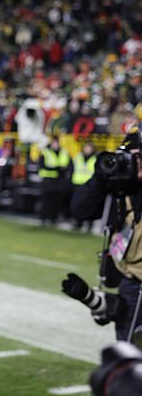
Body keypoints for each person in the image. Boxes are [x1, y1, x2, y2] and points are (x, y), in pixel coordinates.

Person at [71, 129, 142, 342]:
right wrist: (100, 179)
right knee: (130, 351)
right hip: (130, 281)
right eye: (133, 157)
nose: (136, 163)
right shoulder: (123, 188)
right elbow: (80, 211)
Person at [38, 136, 70, 225]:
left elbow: (66, 165)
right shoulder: (45, 152)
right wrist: (57, 168)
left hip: (59, 180)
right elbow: (42, 166)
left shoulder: (63, 152)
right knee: (46, 200)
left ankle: (53, 219)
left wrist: (58, 169)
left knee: (56, 201)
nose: (55, 145)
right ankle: (43, 218)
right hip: (48, 180)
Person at [70, 141, 97, 231]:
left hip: (89, 185)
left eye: (89, 147)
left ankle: (89, 224)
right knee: (78, 205)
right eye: (86, 147)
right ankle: (78, 223)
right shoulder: (78, 157)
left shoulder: (95, 158)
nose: (87, 149)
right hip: (78, 183)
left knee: (89, 206)